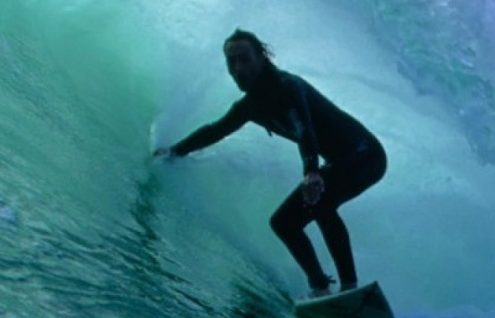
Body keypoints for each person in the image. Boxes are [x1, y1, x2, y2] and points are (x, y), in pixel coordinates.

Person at [156, 29, 387, 296]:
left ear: (261, 58)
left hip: (365, 155)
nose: (238, 68)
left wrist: (312, 172)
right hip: (340, 163)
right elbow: (215, 131)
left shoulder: (288, 87)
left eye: (245, 59)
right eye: (232, 62)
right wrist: (174, 152)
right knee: (284, 223)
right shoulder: (250, 105)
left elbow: (304, 129)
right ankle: (320, 287)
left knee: (321, 202)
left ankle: (349, 287)